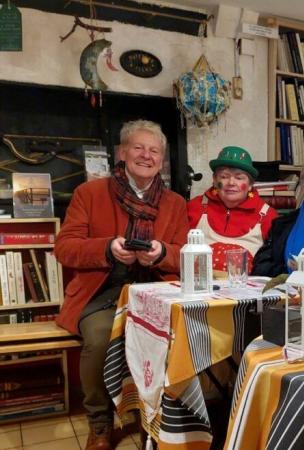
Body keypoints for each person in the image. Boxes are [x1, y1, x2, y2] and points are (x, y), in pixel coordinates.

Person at [55, 120, 189, 450]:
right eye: (138, 148)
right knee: (101, 339)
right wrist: (107, 248)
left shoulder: (175, 202)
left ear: (162, 159)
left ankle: (154, 417)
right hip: (102, 293)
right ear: (122, 152)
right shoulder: (89, 193)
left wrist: (160, 254)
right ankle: (100, 423)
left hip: (155, 291)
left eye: (154, 150)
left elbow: (184, 254)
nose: (146, 155)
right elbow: (65, 248)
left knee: (174, 338)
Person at [187, 146, 278, 272]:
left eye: (239, 178)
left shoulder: (268, 216)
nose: (231, 182)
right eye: (224, 176)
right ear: (214, 180)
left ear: (251, 185)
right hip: (200, 287)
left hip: (246, 289)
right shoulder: (194, 206)